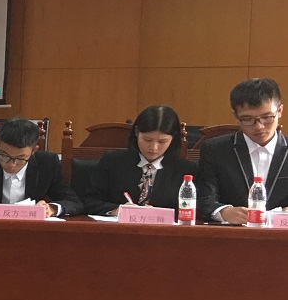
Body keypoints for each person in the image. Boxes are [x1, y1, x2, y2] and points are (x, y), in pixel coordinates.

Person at [197, 78, 288, 223]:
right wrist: (224, 212)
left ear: (280, 111)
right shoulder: (215, 150)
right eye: (248, 119)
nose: (259, 126)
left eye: (266, 117)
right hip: (232, 233)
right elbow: (204, 199)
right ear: (235, 116)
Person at [0, 118, 81, 217]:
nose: (11, 164)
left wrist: (51, 208)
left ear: (33, 151)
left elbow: (73, 202)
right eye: (4, 156)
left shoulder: (47, 163)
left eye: (20, 158)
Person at [81, 105, 187, 216]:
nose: (154, 148)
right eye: (147, 140)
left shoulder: (185, 170)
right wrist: (117, 210)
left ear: (173, 138)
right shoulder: (112, 161)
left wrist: (159, 214)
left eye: (162, 141)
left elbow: (191, 210)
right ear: (136, 132)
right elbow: (89, 201)